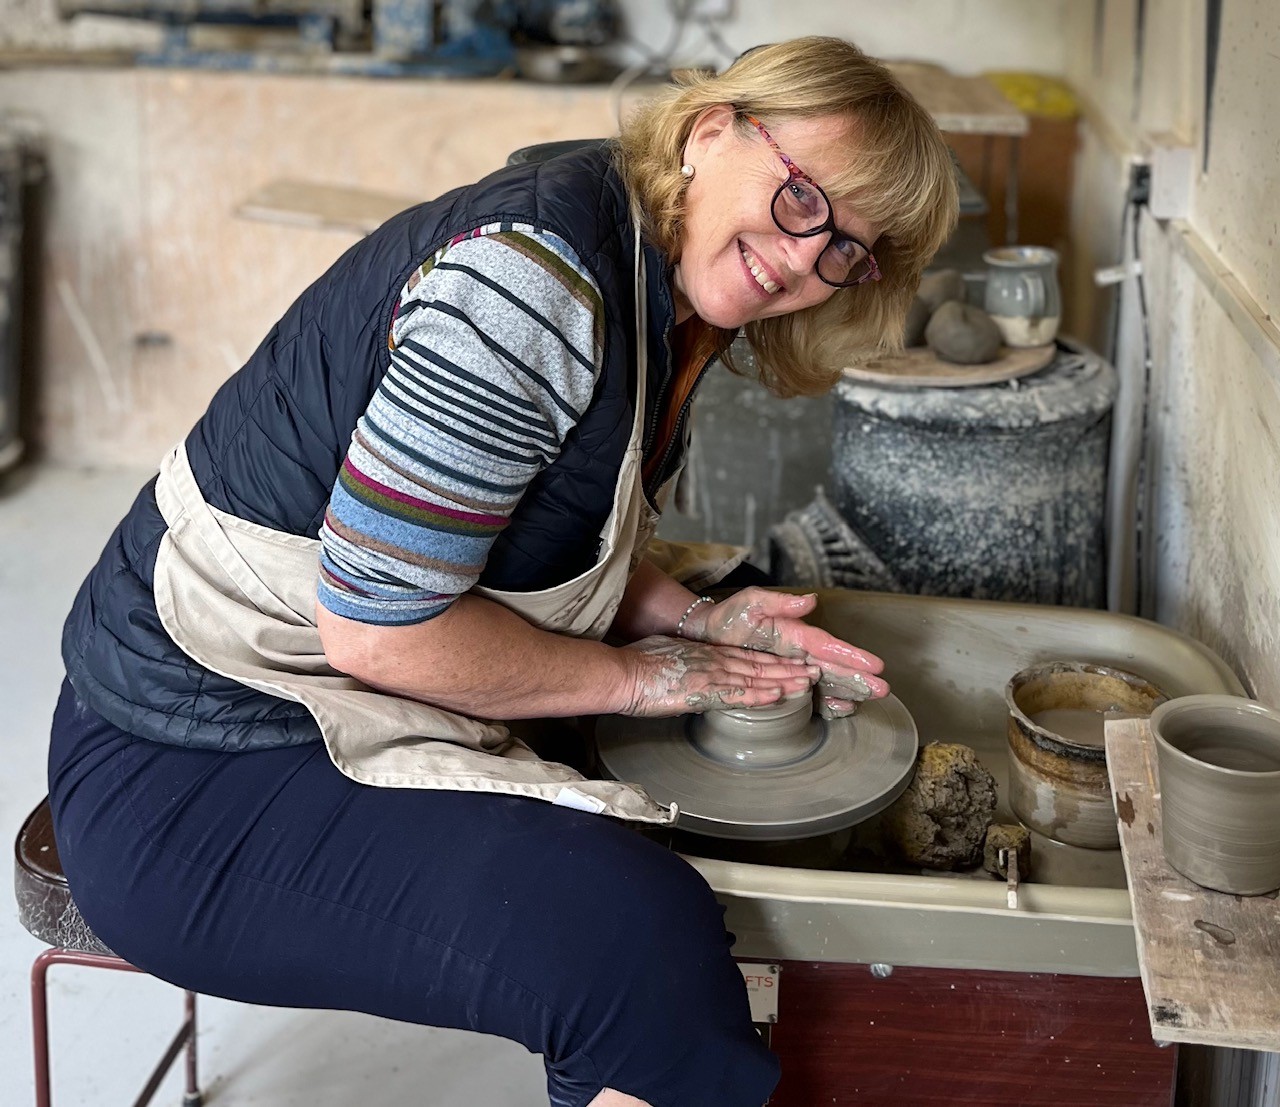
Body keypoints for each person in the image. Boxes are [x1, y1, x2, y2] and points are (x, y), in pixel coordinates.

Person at [48, 36, 957, 1107]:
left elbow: (510, 532)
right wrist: (650, 678)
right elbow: (381, 633)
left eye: (849, 248)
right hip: (193, 754)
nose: (808, 259)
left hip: (306, 696)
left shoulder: (654, 266)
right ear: (712, 130)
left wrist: (694, 621)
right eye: (805, 199)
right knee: (627, 942)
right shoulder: (531, 285)